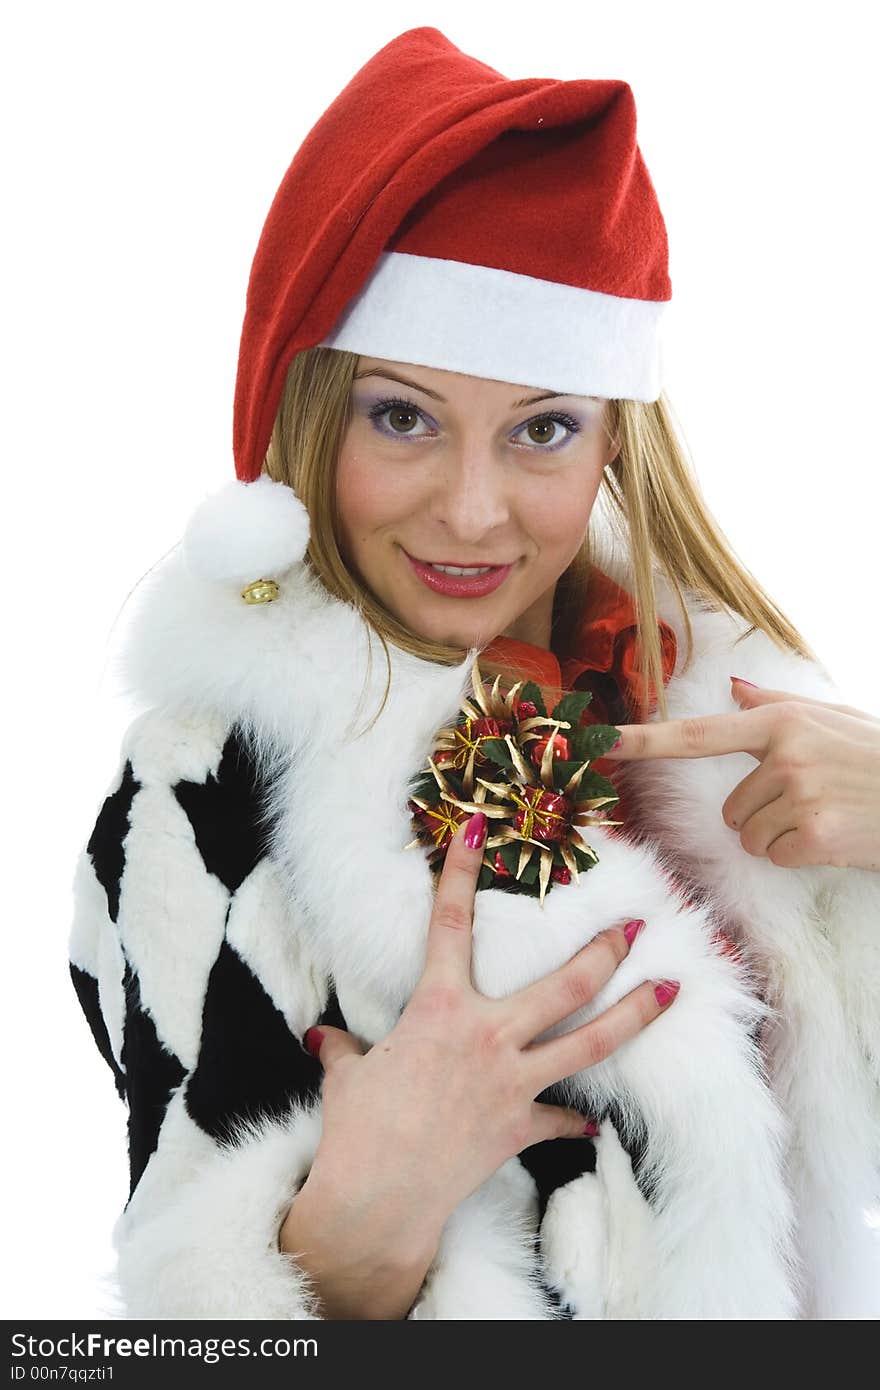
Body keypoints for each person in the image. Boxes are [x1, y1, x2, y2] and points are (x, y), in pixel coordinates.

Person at [68, 26, 880, 1320]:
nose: (473, 511)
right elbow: (189, 1321)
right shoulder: (210, 785)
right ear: (310, 415)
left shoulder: (722, 716)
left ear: (616, 441)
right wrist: (353, 1233)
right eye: (403, 417)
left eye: (544, 427)